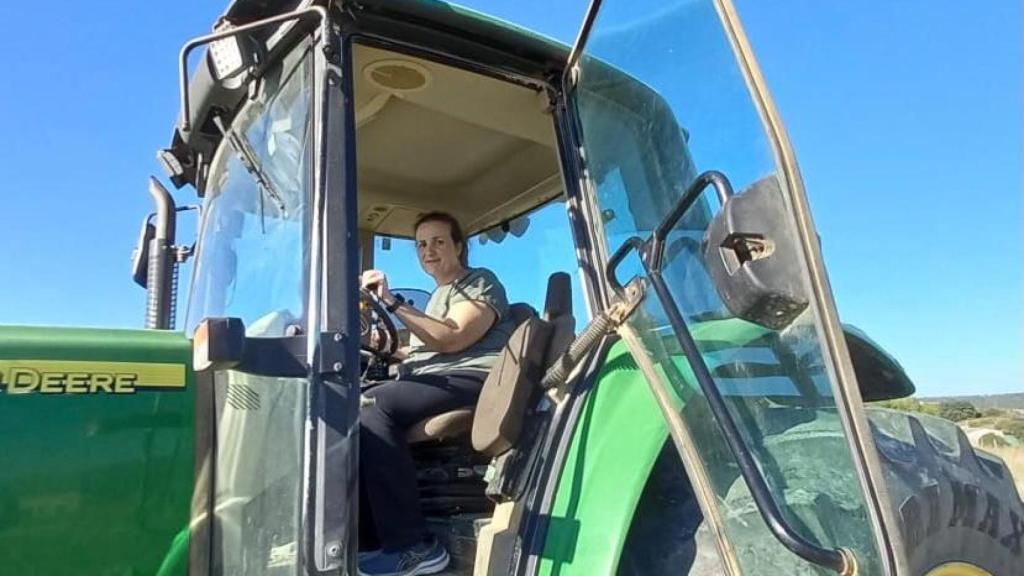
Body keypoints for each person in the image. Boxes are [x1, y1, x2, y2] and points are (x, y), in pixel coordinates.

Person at [358, 211, 515, 576]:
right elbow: (425, 349)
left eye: (439, 241)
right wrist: (382, 345)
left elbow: (452, 337)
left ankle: (415, 546)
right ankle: (369, 541)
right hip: (439, 375)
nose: (429, 251)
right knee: (347, 403)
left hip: (475, 377)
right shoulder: (438, 297)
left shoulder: (479, 282)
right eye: (422, 244)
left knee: (372, 405)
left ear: (459, 246)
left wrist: (394, 303)